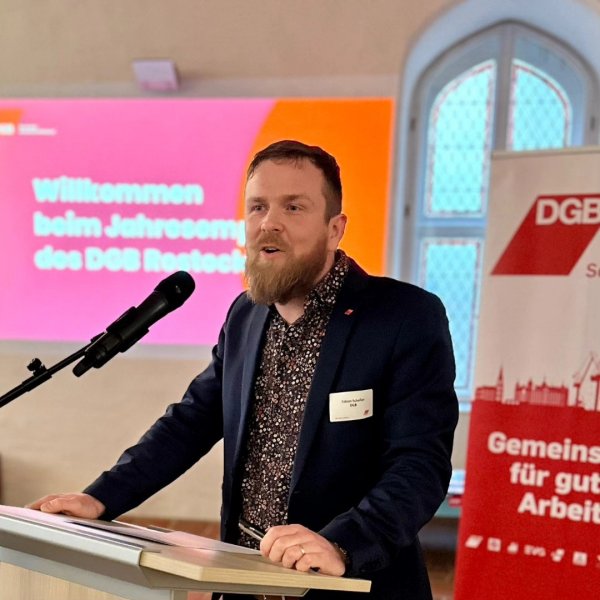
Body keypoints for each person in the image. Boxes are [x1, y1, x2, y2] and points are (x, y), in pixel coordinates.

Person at [28, 140, 459, 599]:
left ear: (335, 229)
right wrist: (100, 498)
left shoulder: (403, 317)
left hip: (349, 584)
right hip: (242, 580)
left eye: (293, 207)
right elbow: (191, 422)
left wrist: (343, 543)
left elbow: (420, 464)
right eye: (257, 207)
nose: (269, 222)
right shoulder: (245, 315)